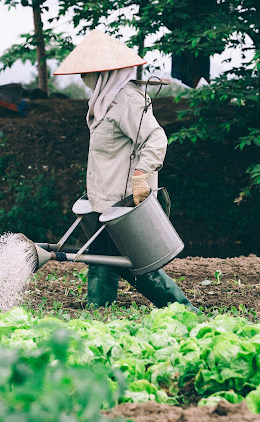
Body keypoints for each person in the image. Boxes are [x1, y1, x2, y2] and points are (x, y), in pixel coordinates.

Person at [53, 30, 198, 312]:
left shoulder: (129, 100)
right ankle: (100, 312)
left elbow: (155, 139)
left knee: (135, 263)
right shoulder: (103, 101)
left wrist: (142, 175)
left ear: (106, 73)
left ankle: (185, 311)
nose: (85, 79)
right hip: (102, 197)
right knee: (100, 258)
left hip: (124, 202)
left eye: (89, 72)